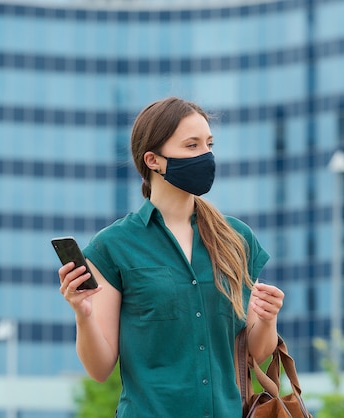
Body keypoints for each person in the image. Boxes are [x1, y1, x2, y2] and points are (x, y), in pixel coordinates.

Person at [58, 96, 285, 417]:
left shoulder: (237, 239)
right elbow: (99, 369)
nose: (205, 156)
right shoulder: (113, 246)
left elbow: (257, 352)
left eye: (209, 144)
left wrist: (267, 318)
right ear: (153, 160)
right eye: (191, 146)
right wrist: (83, 314)